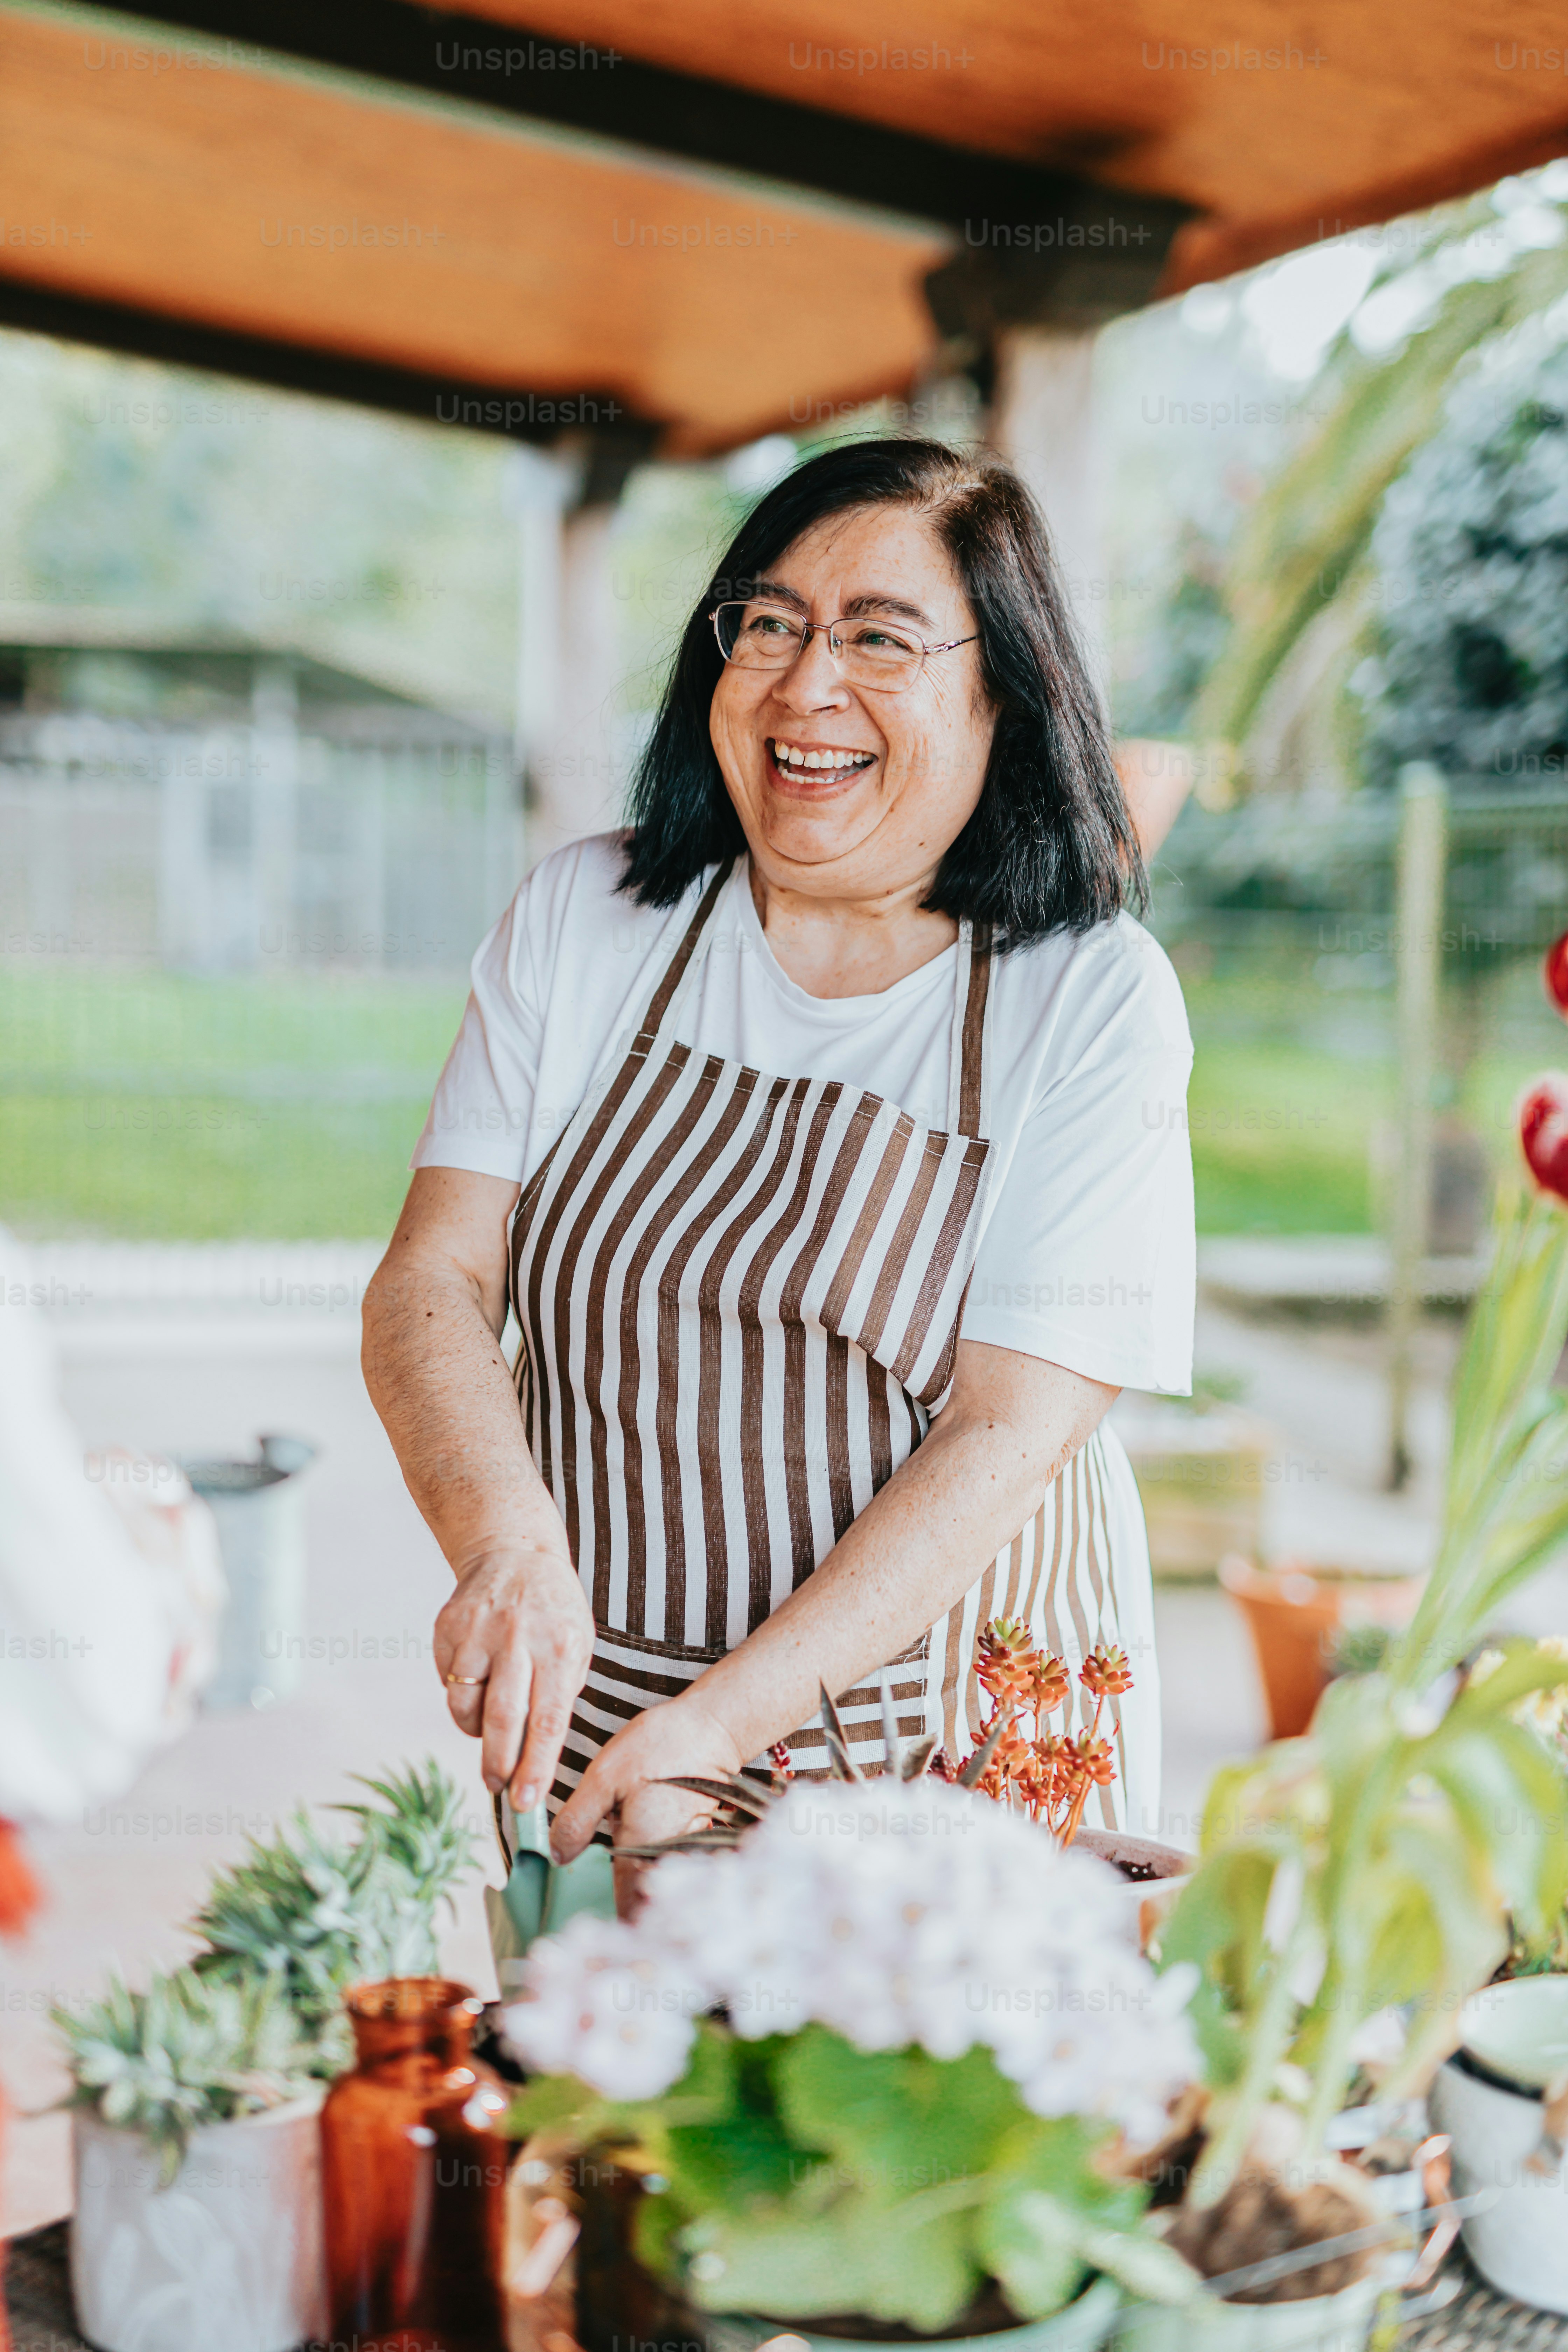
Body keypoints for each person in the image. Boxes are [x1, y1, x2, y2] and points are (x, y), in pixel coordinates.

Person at [362, 438, 1194, 1897]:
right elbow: (433, 1275)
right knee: (620, 2110)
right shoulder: (591, 918)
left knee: (923, 2116)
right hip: (610, 1709)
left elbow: (1006, 1431)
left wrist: (730, 1726)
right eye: (768, 623)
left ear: (1003, 689)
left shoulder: (1089, 996)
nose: (806, 685)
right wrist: (504, 1550)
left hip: (950, 1738)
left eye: (879, 636)